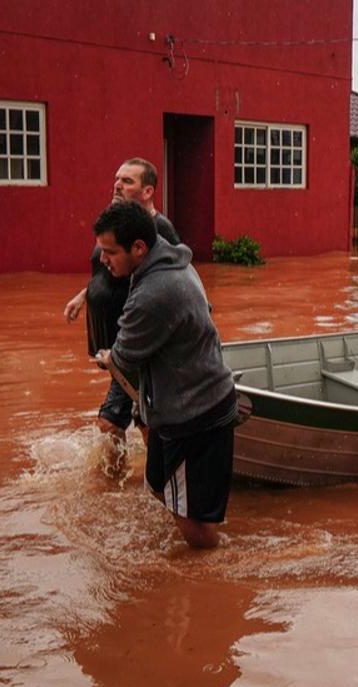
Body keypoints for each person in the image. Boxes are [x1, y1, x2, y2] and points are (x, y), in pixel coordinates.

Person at [93, 201, 237, 550]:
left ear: (139, 247)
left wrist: (109, 356)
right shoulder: (172, 261)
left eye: (110, 252)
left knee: (195, 528)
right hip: (183, 405)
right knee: (159, 485)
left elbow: (124, 356)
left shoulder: (155, 292)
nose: (103, 260)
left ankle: (209, 577)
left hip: (193, 416)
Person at [63, 158, 180, 441]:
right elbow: (107, 268)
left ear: (148, 191)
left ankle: (123, 481)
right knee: (142, 413)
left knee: (110, 423)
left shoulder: (158, 229)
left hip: (138, 342)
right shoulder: (116, 223)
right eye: (117, 178)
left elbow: (176, 279)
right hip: (118, 341)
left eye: (127, 181)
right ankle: (150, 474)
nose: (117, 185)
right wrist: (85, 295)